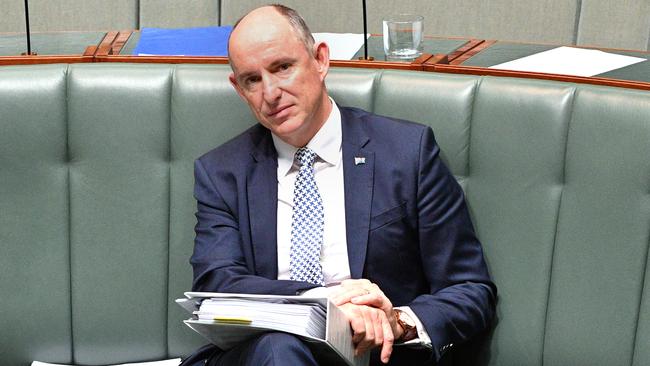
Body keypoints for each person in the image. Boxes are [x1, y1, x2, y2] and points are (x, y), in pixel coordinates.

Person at [184, 4, 496, 366]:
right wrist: (326, 301)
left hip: (376, 357)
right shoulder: (223, 172)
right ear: (239, 89)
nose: (270, 93)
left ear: (320, 60)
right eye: (253, 80)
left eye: (282, 67)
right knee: (280, 348)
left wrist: (398, 322)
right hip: (266, 356)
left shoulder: (407, 153)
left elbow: (470, 290)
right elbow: (216, 285)